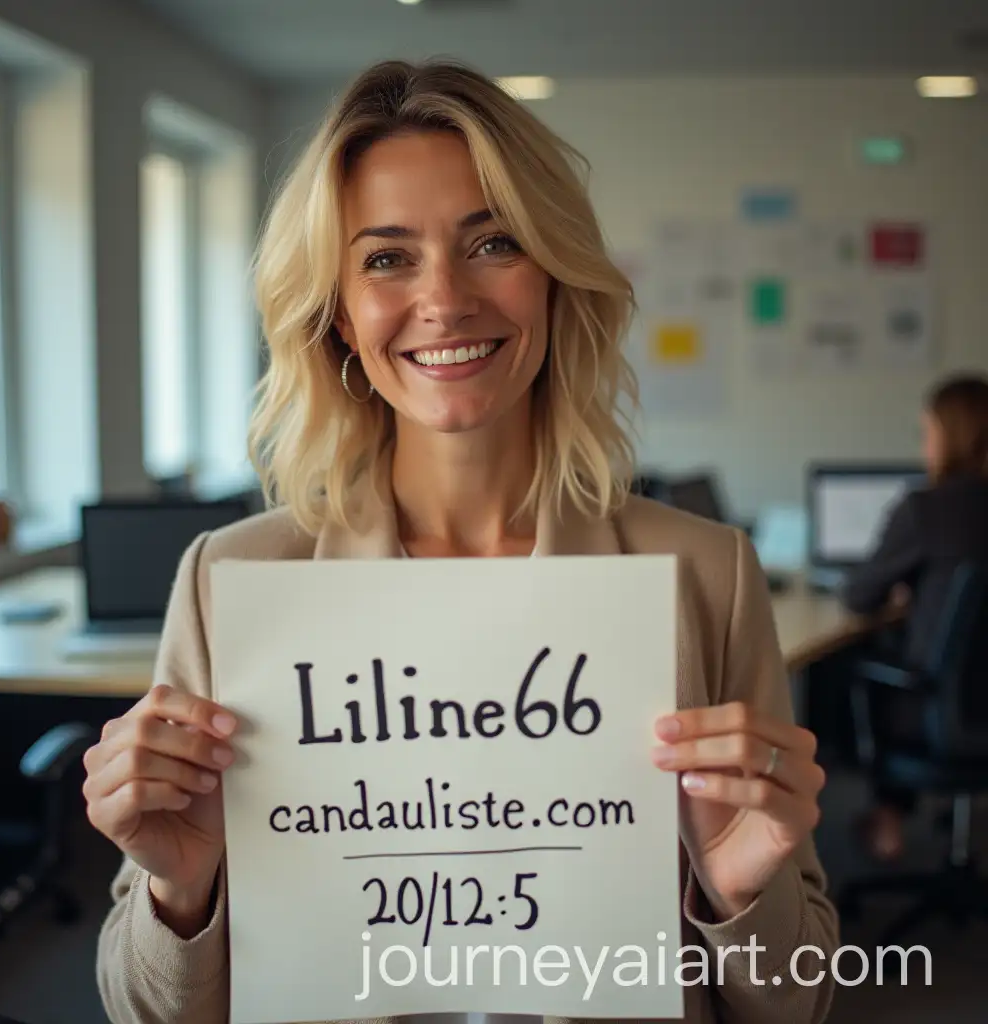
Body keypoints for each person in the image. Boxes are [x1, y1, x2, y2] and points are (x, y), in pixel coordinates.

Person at [83, 59, 837, 1024]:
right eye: (387, 257)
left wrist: (736, 889)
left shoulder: (704, 574)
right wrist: (182, 894)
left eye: (494, 243)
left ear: (556, 280)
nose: (444, 301)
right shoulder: (232, 578)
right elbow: (141, 1010)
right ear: (339, 318)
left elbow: (803, 1004)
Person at [843, 373, 988, 860]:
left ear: (951, 435)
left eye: (928, 431)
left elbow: (860, 595)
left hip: (942, 711)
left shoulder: (927, 509)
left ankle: (887, 818)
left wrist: (908, 593)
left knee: (866, 665)